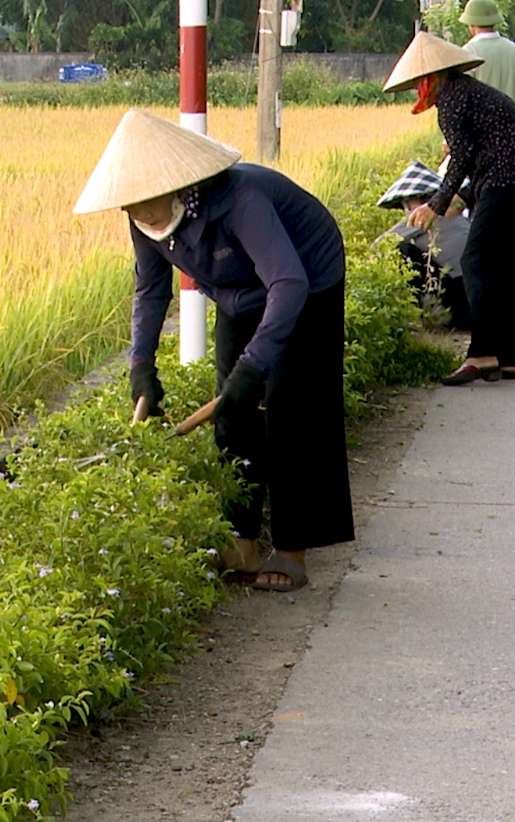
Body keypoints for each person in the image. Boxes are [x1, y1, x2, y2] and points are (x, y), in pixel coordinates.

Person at [73, 109, 354, 591]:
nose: (138, 212)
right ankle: (240, 540)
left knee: (290, 407)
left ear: (177, 183)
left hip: (306, 278)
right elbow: (150, 291)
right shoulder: (143, 220)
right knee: (232, 415)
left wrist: (253, 369)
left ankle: (291, 550)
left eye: (145, 200)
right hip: (238, 292)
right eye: (129, 205)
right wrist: (141, 368)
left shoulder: (240, 199)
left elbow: (288, 283)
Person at [384, 31, 515, 384]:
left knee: (476, 261)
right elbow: (474, 152)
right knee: (508, 267)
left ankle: (482, 353)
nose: (420, 90)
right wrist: (457, 197)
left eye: (420, 81)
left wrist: (435, 204)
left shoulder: (452, 99)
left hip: (505, 180)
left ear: (432, 77)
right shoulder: (470, 92)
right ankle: (508, 359)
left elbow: (460, 157)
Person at [377, 161, 472, 329]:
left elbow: (381, 244)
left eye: (407, 204)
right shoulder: (459, 219)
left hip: (461, 302)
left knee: (403, 251)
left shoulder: (425, 218)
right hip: (480, 304)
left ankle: (413, 317)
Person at [459, 0, 515, 99]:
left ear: (471, 24)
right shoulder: (514, 49)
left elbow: (462, 92)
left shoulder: (468, 52)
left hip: (480, 114)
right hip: (509, 114)